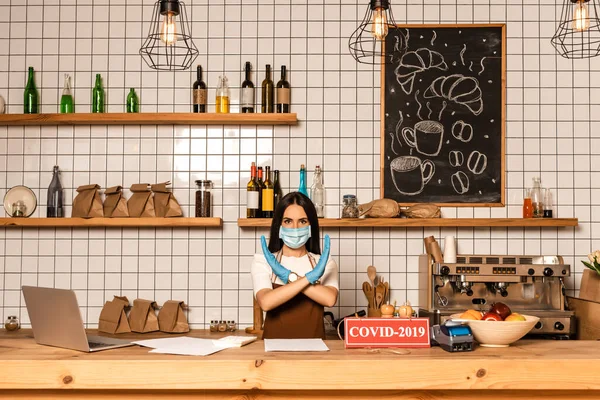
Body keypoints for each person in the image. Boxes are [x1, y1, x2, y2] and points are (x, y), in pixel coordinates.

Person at [251, 192, 339, 339]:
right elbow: (266, 302)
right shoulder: (264, 261)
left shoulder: (323, 262)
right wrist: (308, 278)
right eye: (288, 221)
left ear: (311, 225)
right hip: (274, 350)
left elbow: (329, 299)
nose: (295, 228)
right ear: (279, 225)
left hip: (315, 349)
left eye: (303, 221)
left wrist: (289, 277)